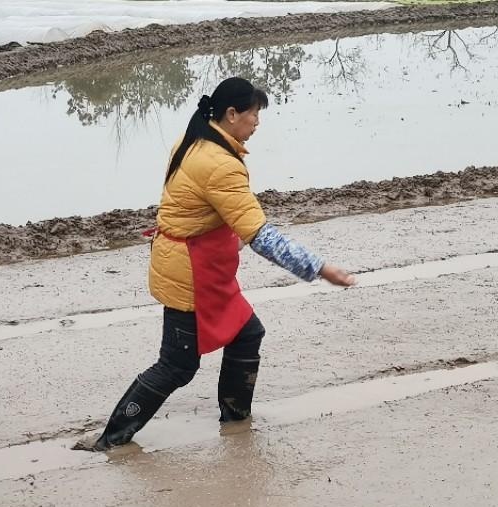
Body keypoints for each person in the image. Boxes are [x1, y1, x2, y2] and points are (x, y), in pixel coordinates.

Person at [75, 77, 354, 452]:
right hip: (191, 274)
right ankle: (110, 439)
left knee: (247, 332)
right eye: (254, 114)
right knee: (177, 365)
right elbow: (261, 236)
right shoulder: (220, 164)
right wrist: (321, 268)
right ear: (231, 113)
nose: (257, 123)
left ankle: (236, 418)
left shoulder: (195, 139)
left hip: (195, 263)